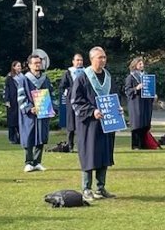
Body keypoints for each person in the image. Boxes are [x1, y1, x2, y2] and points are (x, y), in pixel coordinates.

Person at [70, 47, 115, 201]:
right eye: (99, 57)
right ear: (91, 59)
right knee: (89, 155)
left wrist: (118, 109)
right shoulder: (83, 78)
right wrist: (92, 111)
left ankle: (100, 188)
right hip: (89, 124)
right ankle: (87, 189)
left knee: (104, 154)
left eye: (104, 57)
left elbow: (113, 97)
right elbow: (76, 101)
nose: (103, 60)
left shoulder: (108, 77)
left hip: (106, 124)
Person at [16, 54, 53, 172]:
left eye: (39, 62)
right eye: (35, 63)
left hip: (43, 112)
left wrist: (52, 107)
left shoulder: (45, 79)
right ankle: (28, 162)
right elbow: (21, 96)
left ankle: (37, 162)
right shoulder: (24, 79)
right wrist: (29, 108)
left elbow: (51, 94)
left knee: (41, 136)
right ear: (29, 65)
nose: (38, 65)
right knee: (29, 137)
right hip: (30, 115)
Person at [123, 56, 154, 150]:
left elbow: (150, 88)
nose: (142, 65)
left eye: (142, 63)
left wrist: (153, 94)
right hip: (136, 103)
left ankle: (144, 144)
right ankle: (135, 145)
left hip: (146, 102)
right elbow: (127, 91)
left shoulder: (146, 76)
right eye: (140, 64)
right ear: (135, 65)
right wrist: (136, 88)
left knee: (145, 123)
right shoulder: (130, 77)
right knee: (137, 124)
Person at [57, 53, 85, 151]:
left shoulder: (86, 72)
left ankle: (83, 146)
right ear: (73, 61)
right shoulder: (68, 72)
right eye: (77, 60)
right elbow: (62, 86)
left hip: (83, 102)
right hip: (71, 101)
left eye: (81, 60)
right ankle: (70, 145)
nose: (79, 62)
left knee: (82, 124)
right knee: (71, 124)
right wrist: (70, 91)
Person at [3, 60, 23, 145]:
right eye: (18, 66)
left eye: (20, 66)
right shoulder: (10, 77)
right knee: (12, 121)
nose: (20, 67)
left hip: (21, 100)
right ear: (14, 67)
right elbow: (6, 89)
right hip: (12, 101)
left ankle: (20, 138)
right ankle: (12, 138)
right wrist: (7, 100)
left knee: (20, 120)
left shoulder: (23, 77)